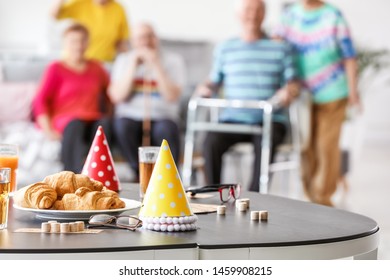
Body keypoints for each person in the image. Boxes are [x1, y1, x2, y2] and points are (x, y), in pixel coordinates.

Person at [196, 0, 300, 192]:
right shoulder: (225, 47)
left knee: (265, 141)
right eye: (248, 10)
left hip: (269, 119)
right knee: (211, 140)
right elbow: (213, 80)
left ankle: (254, 197)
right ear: (238, 15)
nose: (253, 15)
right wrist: (204, 87)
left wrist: (289, 91)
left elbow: (293, 83)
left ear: (264, 14)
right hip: (233, 118)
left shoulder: (280, 48)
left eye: (258, 10)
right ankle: (212, 195)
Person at [275, 0, 359, 206]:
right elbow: (276, 48)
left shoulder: (333, 15)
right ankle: (311, 198)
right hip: (301, 95)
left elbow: (349, 56)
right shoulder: (288, 16)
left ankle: (323, 200)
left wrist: (353, 91)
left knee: (326, 147)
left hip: (333, 92)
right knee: (305, 148)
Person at [109, 22, 186, 179]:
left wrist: (156, 65)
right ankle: (141, 175)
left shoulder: (174, 61)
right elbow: (117, 96)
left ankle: (169, 178)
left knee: (166, 130)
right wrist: (133, 67)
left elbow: (172, 96)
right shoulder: (123, 60)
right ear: (133, 41)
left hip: (163, 117)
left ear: (156, 39)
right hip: (130, 116)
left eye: (150, 36)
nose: (145, 41)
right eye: (140, 38)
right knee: (122, 126)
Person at [34, 23, 111, 173]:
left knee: (105, 124)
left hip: (92, 118)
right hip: (66, 121)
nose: (78, 45)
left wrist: (109, 113)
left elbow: (110, 95)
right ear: (65, 44)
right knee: (76, 124)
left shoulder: (97, 67)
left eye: (82, 40)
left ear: (87, 43)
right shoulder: (55, 68)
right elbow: (40, 101)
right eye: (73, 41)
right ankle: (71, 174)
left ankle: (100, 175)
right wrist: (48, 130)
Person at [51, 0, 130, 62]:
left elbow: (121, 42)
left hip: (105, 63)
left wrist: (128, 61)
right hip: (77, 62)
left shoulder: (118, 9)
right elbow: (55, 14)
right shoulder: (81, 2)